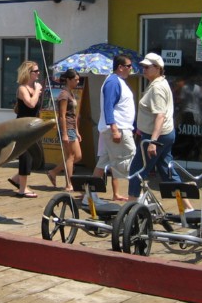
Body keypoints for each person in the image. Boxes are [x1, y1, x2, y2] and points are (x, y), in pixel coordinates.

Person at [128, 53, 189, 203]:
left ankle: (130, 206)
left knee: (137, 170)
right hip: (162, 134)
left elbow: (160, 115)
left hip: (156, 136)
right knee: (167, 171)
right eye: (143, 66)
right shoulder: (158, 83)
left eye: (147, 67)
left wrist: (153, 141)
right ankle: (188, 207)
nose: (144, 69)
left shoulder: (157, 88)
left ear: (158, 68)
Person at [92, 54, 136, 202]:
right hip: (118, 129)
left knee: (103, 161)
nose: (131, 69)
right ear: (120, 67)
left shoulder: (118, 81)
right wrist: (115, 129)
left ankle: (89, 195)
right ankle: (136, 196)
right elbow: (108, 106)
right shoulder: (113, 82)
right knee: (133, 158)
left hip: (117, 128)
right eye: (129, 66)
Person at [8, 60, 43, 198]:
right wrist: (38, 91)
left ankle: (17, 178)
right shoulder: (22, 88)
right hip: (22, 127)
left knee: (38, 158)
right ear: (28, 73)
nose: (38, 73)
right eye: (36, 71)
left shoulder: (35, 87)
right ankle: (22, 189)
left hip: (33, 126)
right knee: (25, 156)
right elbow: (31, 103)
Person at [46, 69, 82, 192]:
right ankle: (69, 184)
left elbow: (74, 114)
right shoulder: (64, 95)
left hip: (72, 127)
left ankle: (54, 171)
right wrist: (65, 133)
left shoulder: (71, 93)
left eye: (78, 79)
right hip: (66, 128)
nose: (78, 81)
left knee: (77, 156)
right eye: (75, 79)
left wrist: (77, 131)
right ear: (68, 80)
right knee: (71, 156)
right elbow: (62, 115)